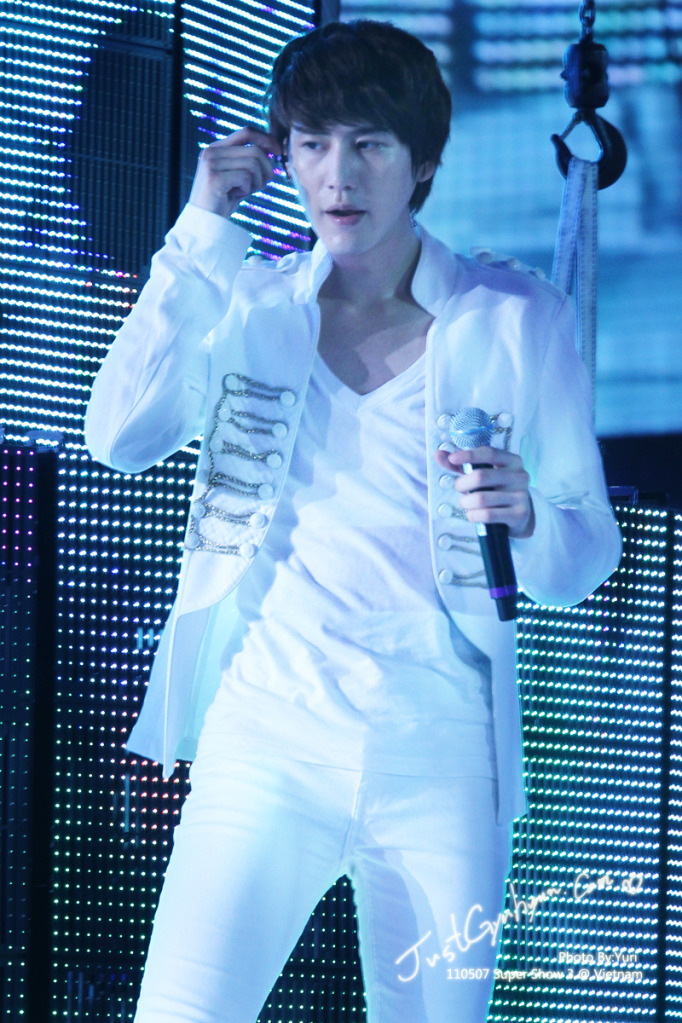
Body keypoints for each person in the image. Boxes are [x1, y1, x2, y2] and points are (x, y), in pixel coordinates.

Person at [84, 19, 621, 1023]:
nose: (339, 173)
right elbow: (119, 435)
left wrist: (530, 524)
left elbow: (586, 549)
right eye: (314, 143)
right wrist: (198, 232)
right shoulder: (251, 305)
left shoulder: (514, 317)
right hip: (264, 742)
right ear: (283, 156)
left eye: (369, 143)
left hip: (443, 756)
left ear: (421, 162)